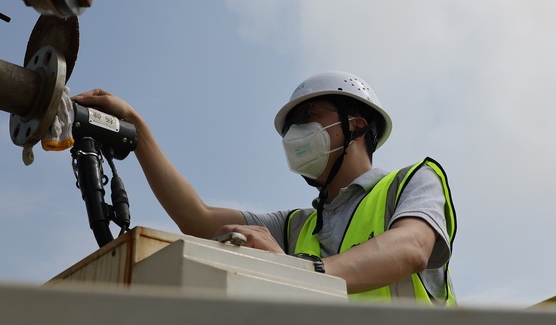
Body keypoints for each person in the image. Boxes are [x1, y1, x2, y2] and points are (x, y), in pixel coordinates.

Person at [72, 71, 456, 304]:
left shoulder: (412, 182)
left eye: (309, 116)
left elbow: (412, 248)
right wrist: (136, 129)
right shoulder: (295, 227)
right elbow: (196, 217)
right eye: (292, 125)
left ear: (355, 124)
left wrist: (303, 270)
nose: (295, 133)